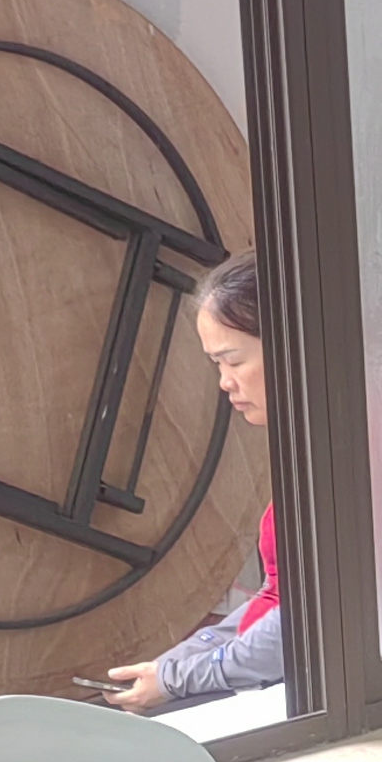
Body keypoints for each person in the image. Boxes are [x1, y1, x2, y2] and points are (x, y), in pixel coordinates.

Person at [102, 251, 282, 714]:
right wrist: (174, 665)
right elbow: (280, 601)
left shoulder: (348, 453)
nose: (224, 382)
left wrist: (177, 678)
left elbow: (304, 621)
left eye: (233, 361)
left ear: (290, 344)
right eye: (216, 365)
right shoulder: (311, 449)